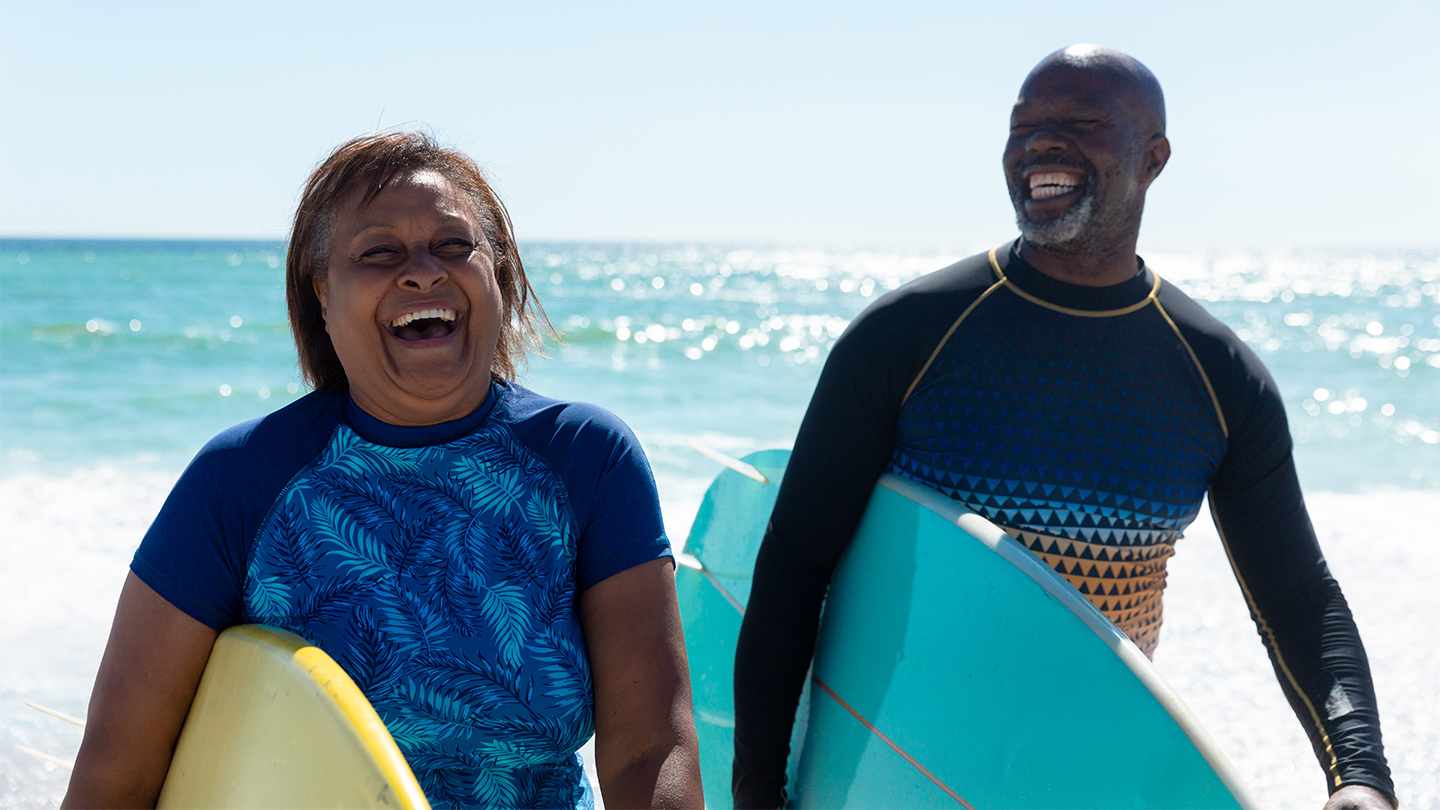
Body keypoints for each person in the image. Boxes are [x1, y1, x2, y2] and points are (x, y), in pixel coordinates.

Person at [732, 45, 1396, 810]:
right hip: (904, 759)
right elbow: (794, 564)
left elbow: (1297, 599)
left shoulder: (1218, 379)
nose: (1042, 143)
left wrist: (1361, 777)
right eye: (1023, 127)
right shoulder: (907, 335)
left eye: (1082, 121)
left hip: (1085, 767)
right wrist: (759, 790)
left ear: (1154, 159)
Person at [63, 132, 703, 810]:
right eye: (378, 252)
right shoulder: (240, 481)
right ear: (322, 296)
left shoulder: (586, 458)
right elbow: (117, 775)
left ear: (500, 275)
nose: (423, 271)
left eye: (455, 245)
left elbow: (651, 748)